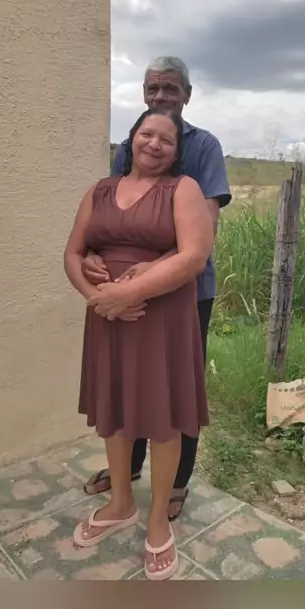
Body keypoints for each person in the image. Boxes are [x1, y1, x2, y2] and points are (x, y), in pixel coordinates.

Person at [64, 106, 214, 579]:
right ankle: (121, 504)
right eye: (147, 133)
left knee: (162, 417)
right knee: (115, 409)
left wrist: (128, 293)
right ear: (131, 139)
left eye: (167, 139)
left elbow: (193, 256)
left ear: (176, 151)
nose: (155, 143)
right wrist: (97, 299)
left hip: (161, 318)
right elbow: (73, 252)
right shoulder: (99, 190)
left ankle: (157, 521)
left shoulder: (183, 189)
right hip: (108, 317)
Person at [81, 56, 231, 519]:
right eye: (153, 88)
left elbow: (204, 231)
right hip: (124, 292)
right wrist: (90, 256)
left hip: (186, 291)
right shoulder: (133, 143)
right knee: (129, 382)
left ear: (187, 95)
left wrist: (145, 277)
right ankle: (128, 470)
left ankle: (178, 482)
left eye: (171, 88)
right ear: (144, 93)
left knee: (175, 389)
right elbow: (114, 209)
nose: (161, 96)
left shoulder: (203, 146)